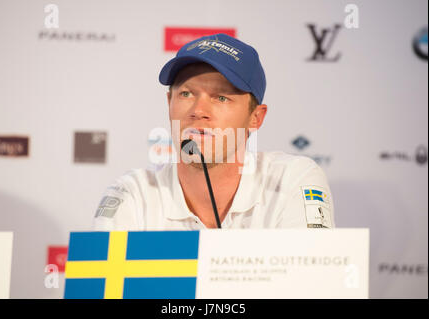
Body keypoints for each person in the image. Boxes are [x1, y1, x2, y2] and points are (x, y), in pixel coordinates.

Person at [93, 33, 334, 230]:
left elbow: (310, 284)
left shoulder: (292, 180)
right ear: (169, 104)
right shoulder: (133, 194)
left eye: (221, 98)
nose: (198, 111)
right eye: (186, 94)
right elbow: (101, 287)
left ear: (256, 117)